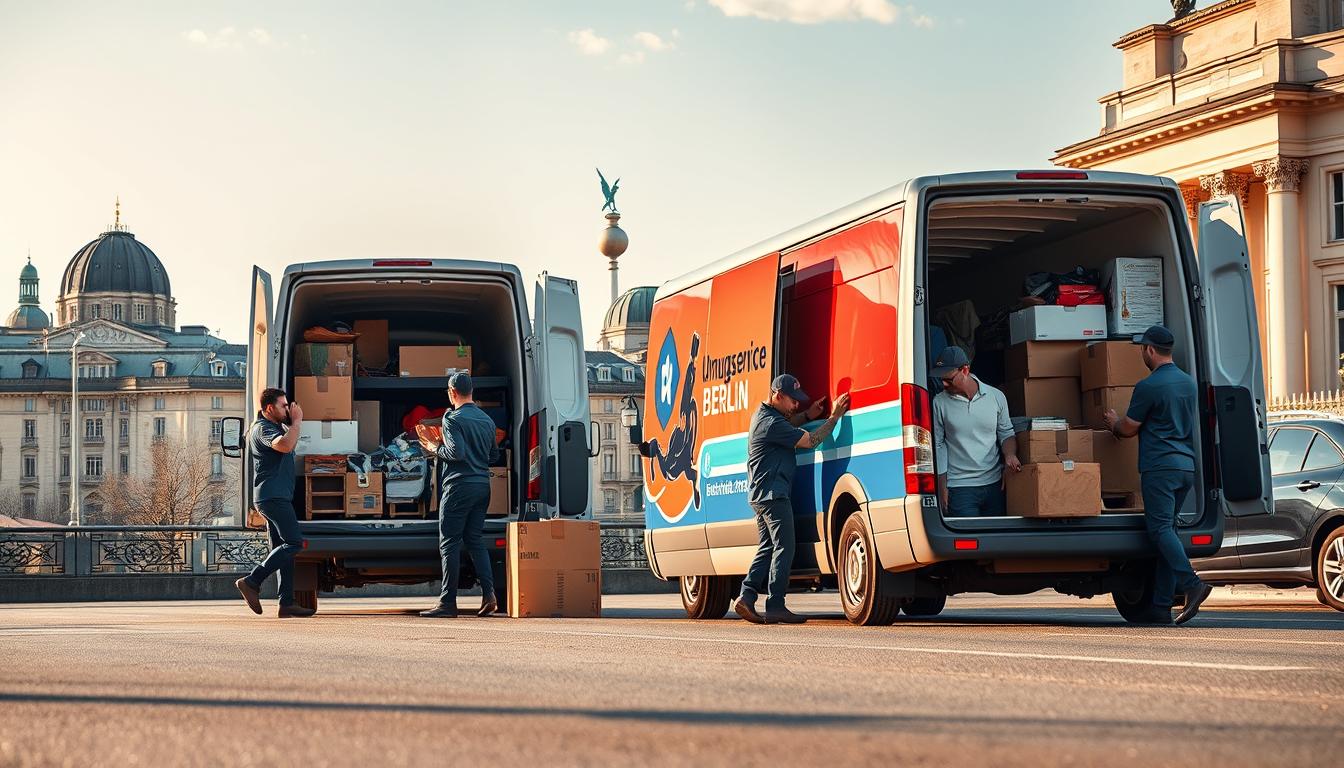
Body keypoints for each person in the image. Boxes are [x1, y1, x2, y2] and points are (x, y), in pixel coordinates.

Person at [1103, 325, 1212, 626]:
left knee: (1160, 530)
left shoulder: (1149, 386)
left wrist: (1113, 422)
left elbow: (1128, 428)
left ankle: (1192, 584)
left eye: (1143, 349)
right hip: (1185, 467)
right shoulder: (1188, 383)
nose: (1142, 354)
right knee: (1168, 534)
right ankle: (1161, 606)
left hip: (1160, 467)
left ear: (1150, 350)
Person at [732, 374, 850, 625]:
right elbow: (810, 441)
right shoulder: (771, 423)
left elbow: (790, 425)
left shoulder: (765, 416)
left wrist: (807, 415)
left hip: (762, 494)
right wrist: (835, 416)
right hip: (773, 494)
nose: (796, 404)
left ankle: (747, 596)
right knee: (785, 547)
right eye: (792, 400)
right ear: (777, 395)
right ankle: (775, 605)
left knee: (767, 547)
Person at [416, 372, 501, 618]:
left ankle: (447, 603)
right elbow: (494, 456)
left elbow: (456, 453)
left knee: (449, 544)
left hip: (458, 486)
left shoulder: (452, 418)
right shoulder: (486, 420)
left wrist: (434, 447)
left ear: (452, 392)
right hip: (482, 486)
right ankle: (489, 594)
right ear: (471, 391)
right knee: (475, 540)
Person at [235, 388, 314, 618]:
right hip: (273, 498)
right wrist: (297, 422)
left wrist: (291, 422)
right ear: (269, 408)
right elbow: (284, 446)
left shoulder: (276, 427)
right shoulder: (262, 429)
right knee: (294, 543)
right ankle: (252, 581)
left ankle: (286, 603)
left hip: (275, 496)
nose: (288, 409)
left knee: (284, 550)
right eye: (283, 405)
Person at [930, 346, 1021, 517]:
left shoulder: (996, 397)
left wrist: (1010, 455)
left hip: (995, 485)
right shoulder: (939, 402)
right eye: (941, 379)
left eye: (949, 379)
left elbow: (1006, 433)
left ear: (965, 370)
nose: (943, 384)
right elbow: (938, 444)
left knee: (996, 541)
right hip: (959, 488)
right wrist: (942, 485)